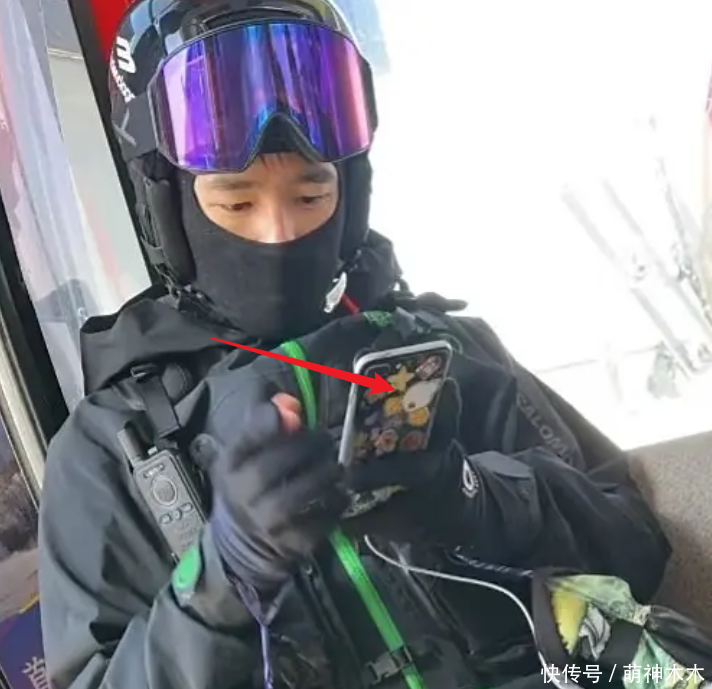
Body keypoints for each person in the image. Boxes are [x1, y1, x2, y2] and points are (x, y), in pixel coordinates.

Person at [37, 1, 671, 688]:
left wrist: (469, 495)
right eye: (237, 203)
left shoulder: (443, 348)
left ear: (351, 193)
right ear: (169, 210)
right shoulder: (112, 448)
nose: (280, 234)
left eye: (311, 196)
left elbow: (635, 545)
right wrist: (220, 583)